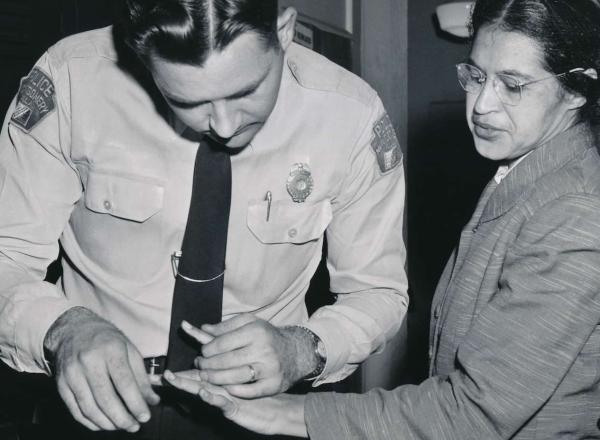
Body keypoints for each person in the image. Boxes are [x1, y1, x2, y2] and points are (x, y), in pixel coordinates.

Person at [166, 0, 600, 438]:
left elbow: (474, 414)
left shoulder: (574, 212)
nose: (483, 104)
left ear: (578, 89)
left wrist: (285, 413)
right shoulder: (530, 172)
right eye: (476, 76)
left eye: (513, 84)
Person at [0, 0, 408, 439]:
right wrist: (63, 330)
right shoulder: (71, 80)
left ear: (284, 29)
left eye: (246, 91)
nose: (225, 126)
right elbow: (7, 255)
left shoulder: (350, 116)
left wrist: (301, 348)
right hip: (96, 406)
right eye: (185, 101)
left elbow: (378, 291)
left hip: (263, 413)